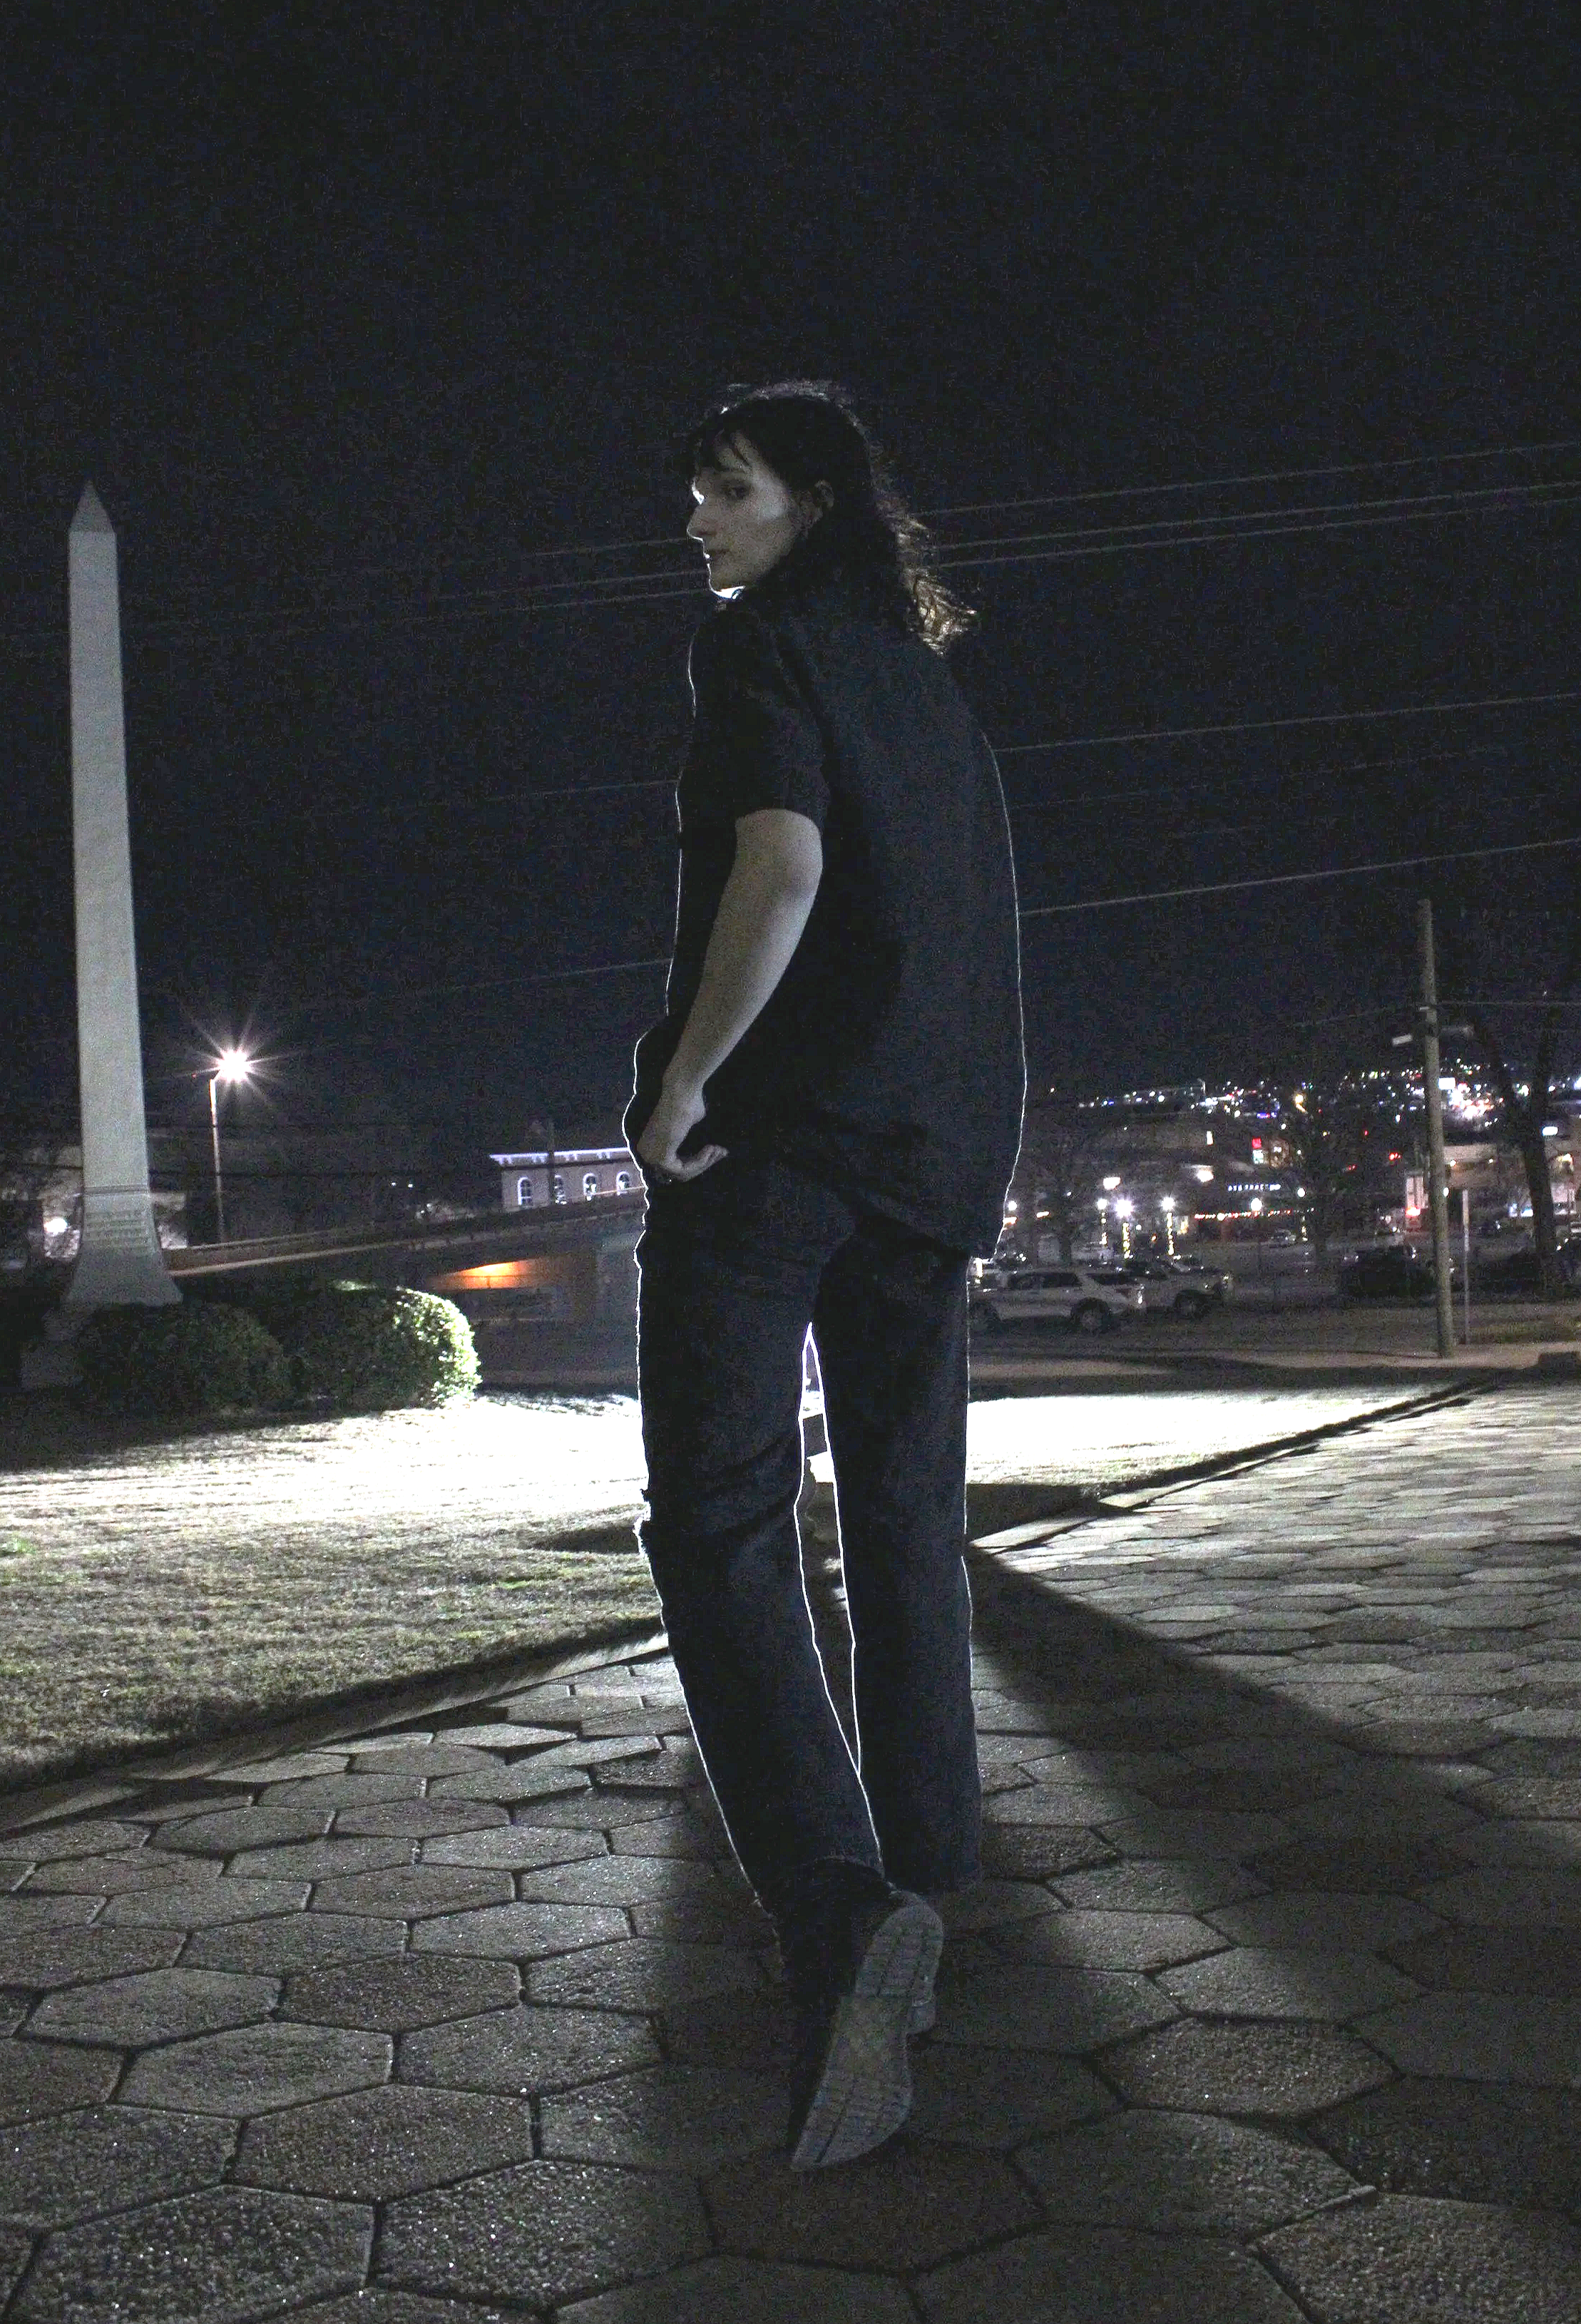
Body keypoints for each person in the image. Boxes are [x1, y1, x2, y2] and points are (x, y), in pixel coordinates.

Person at [625, 380, 1025, 2169]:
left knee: (720, 1515)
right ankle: (929, 1867)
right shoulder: (932, 690)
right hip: (931, 1156)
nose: (700, 519)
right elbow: (980, 938)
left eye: (730, 488)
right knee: (907, 1511)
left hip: (776, 1146)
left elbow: (777, 866)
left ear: (812, 504)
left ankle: (839, 1908)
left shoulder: (760, 649)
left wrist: (686, 1076)